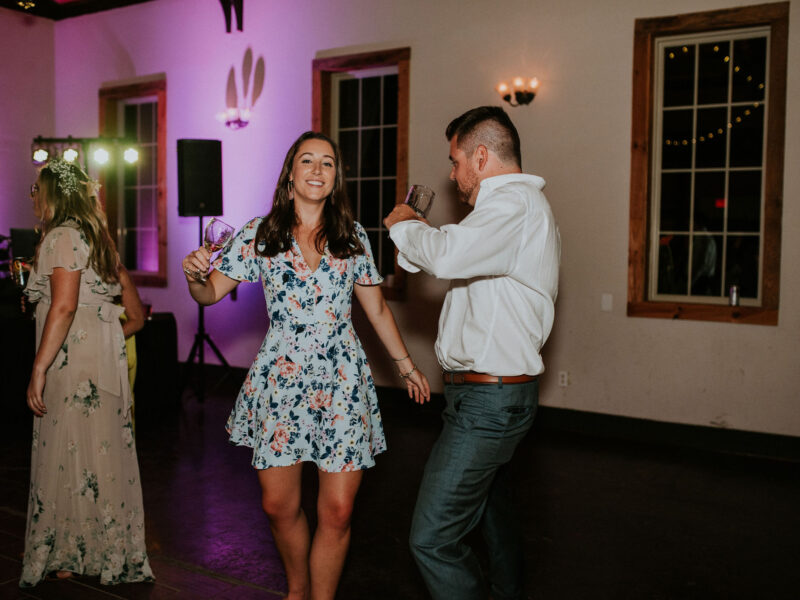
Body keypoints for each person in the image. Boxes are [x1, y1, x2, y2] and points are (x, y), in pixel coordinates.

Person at [182, 130, 430, 600]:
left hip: (341, 381)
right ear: (291, 173)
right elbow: (209, 293)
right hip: (282, 379)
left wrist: (405, 365)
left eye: (328, 163)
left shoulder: (352, 236)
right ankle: (297, 587)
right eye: (307, 161)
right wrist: (194, 275)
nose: (317, 170)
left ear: (336, 178)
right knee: (279, 505)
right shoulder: (262, 233)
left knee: (337, 511)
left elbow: (376, 309)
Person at [384, 105, 561, 600]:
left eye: (456, 159)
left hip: (489, 405)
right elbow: (440, 258)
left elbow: (444, 255)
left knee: (433, 538)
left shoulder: (514, 207)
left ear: (481, 156)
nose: (452, 172)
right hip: (485, 398)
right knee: (493, 519)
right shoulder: (500, 216)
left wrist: (402, 223)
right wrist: (416, 239)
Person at [21, 158, 154, 587]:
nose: (33, 197)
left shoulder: (60, 236)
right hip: (100, 359)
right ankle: (98, 551)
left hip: (71, 360)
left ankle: (71, 552)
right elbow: (127, 313)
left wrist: (38, 368)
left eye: (36, 189)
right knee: (97, 457)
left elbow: (63, 306)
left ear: (53, 194)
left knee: (69, 455)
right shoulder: (96, 238)